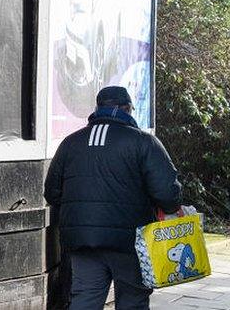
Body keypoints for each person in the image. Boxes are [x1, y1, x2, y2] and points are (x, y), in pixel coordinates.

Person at [44, 86, 183, 310]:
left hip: (81, 239)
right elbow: (167, 193)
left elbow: (51, 192)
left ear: (98, 109)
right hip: (130, 241)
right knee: (133, 300)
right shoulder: (143, 142)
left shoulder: (70, 143)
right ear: (127, 109)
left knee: (85, 298)